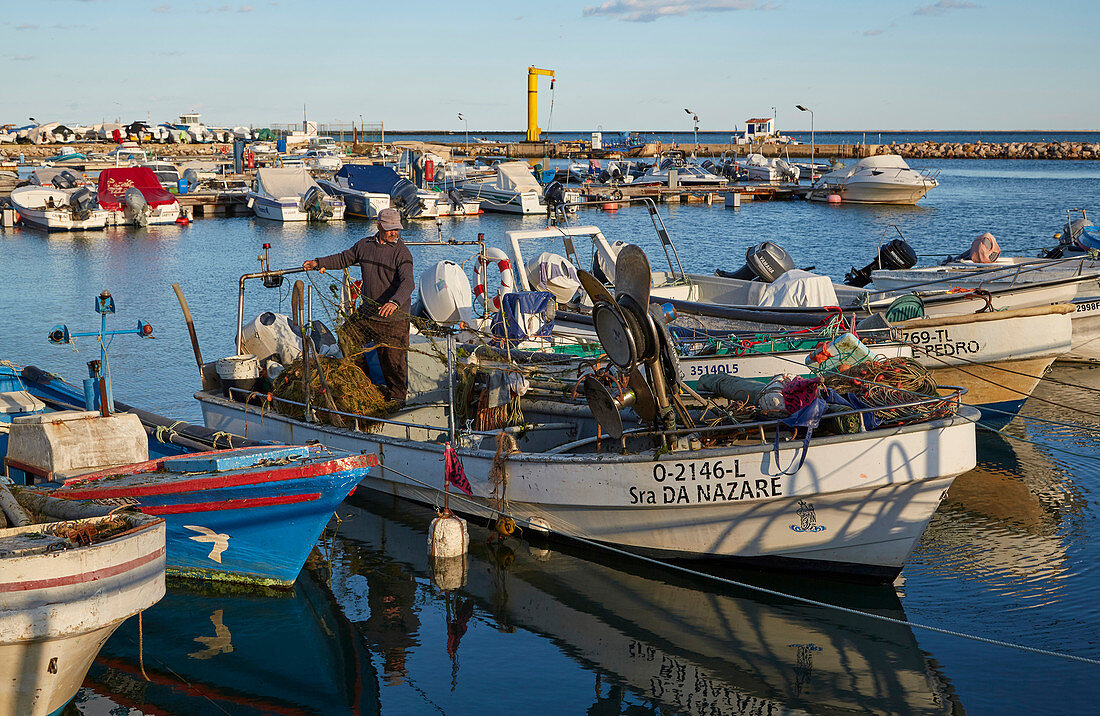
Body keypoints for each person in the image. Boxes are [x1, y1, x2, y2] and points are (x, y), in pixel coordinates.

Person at [302, 207, 413, 403]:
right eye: (390, 229)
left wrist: (394, 302)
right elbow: (343, 258)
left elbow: (408, 283)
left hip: (394, 318)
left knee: (393, 361)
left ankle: (397, 400)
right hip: (369, 313)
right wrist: (317, 263)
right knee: (346, 336)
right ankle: (364, 383)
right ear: (378, 226)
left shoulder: (401, 252)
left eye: (397, 229)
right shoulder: (364, 245)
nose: (394, 233)